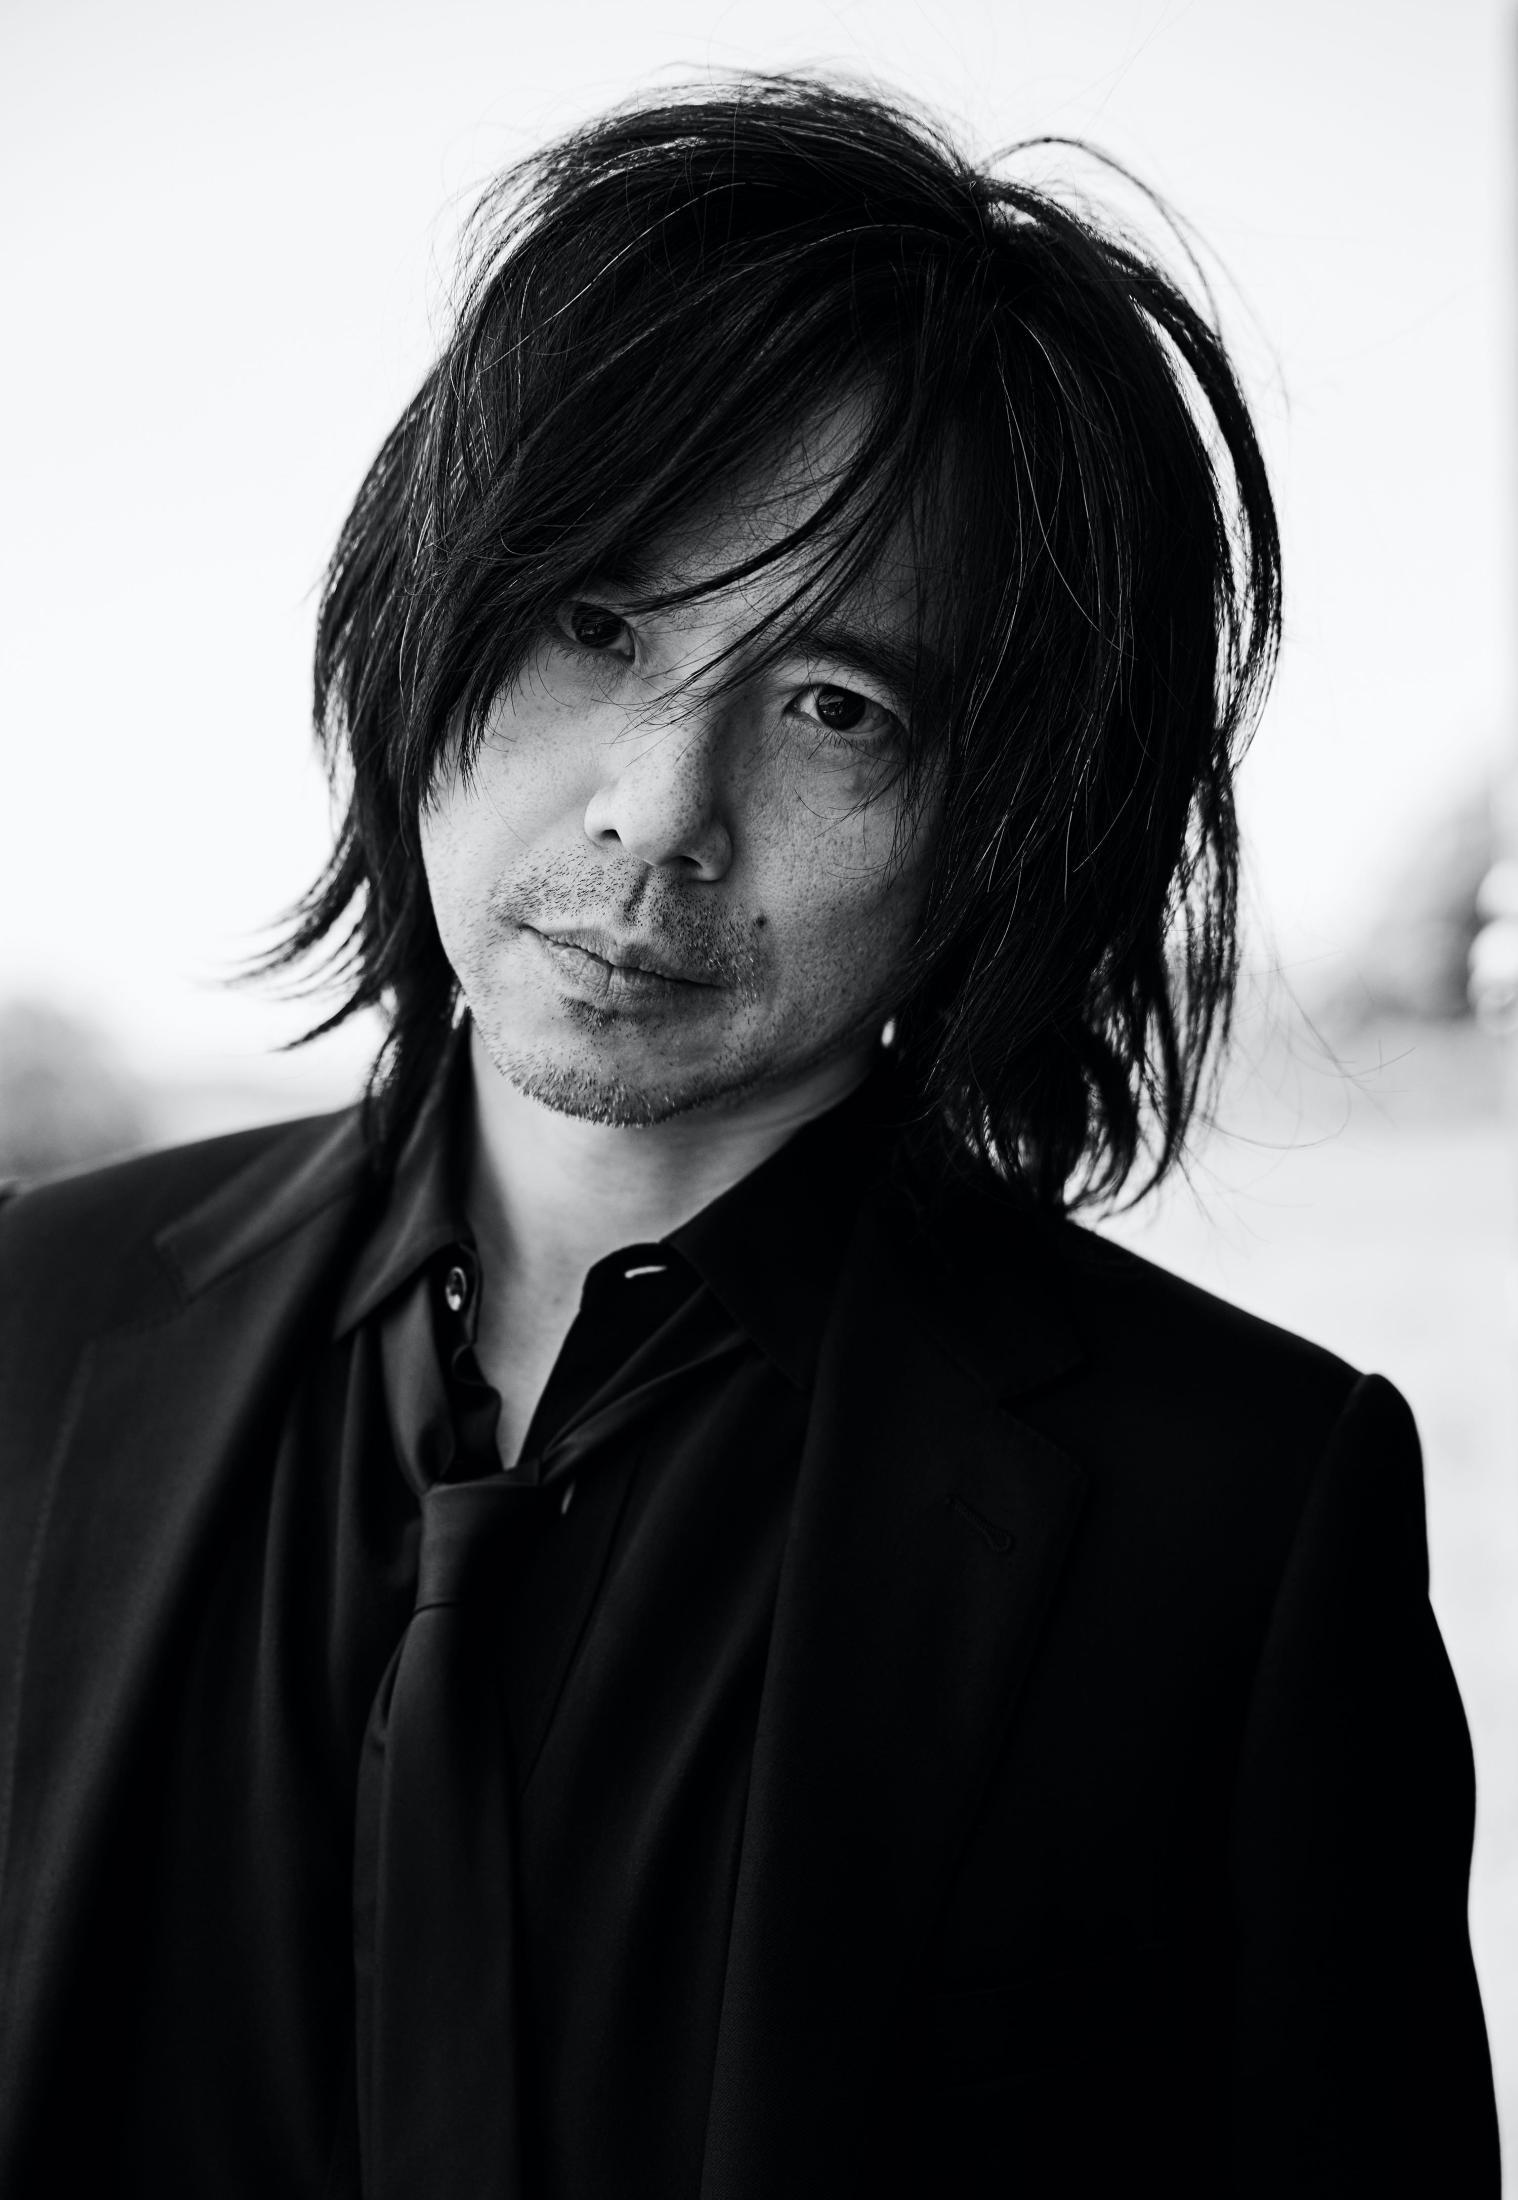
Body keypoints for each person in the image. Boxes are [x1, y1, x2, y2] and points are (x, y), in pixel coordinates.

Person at [0, 72, 1499, 2200]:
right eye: (595, 626)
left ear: (1017, 820)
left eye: (833, 708)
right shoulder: (30, 1325)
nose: (657, 811)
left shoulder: (1236, 1516)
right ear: (421, 613)